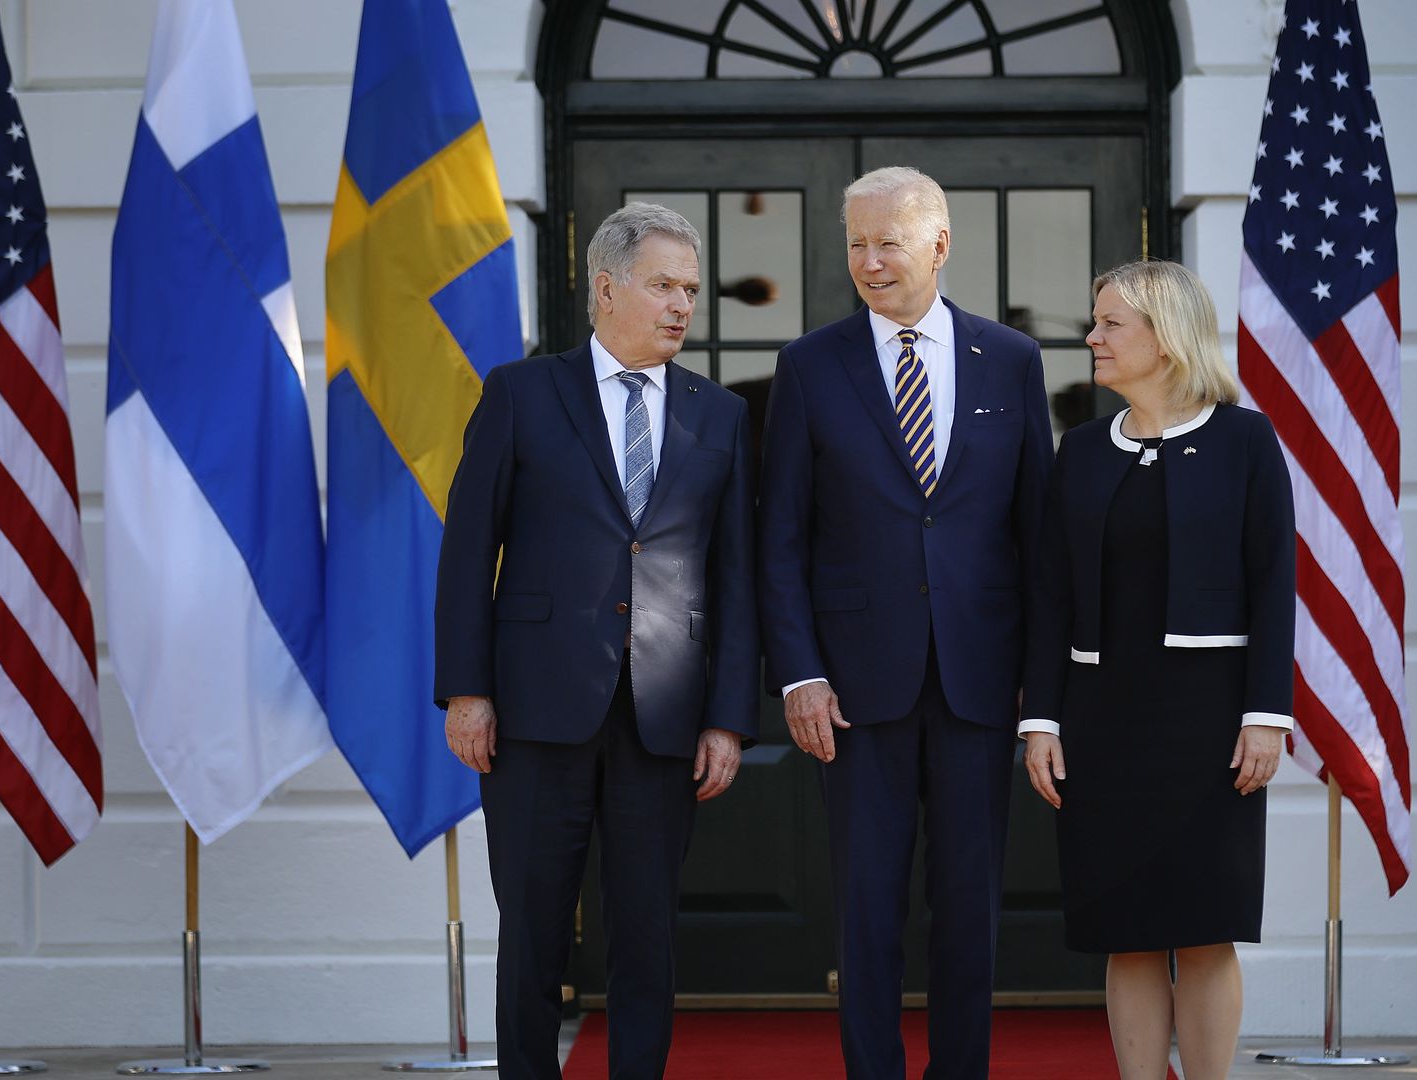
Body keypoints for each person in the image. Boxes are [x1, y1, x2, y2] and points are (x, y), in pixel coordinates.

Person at [433, 203, 758, 1080]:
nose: (682, 305)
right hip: (536, 712)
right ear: (606, 289)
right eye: (664, 286)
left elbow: (736, 577)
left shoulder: (721, 415)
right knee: (533, 933)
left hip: (665, 717)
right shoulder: (521, 393)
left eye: (690, 289)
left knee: (647, 937)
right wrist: (467, 690)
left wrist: (729, 717)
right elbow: (468, 550)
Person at [758, 166, 1054, 1079]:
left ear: (939, 243)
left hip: (980, 682)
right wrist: (800, 673)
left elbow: (1037, 539)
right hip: (852, 690)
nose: (870, 261)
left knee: (969, 907)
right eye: (856, 243)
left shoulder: (1012, 359)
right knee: (867, 907)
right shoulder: (810, 365)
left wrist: (1040, 690)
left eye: (888, 241)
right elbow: (780, 538)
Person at [1020, 260, 1295, 1080]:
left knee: (1206, 929)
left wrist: (1266, 715)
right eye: (1096, 322)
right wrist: (1041, 720)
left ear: (1166, 339)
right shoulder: (1080, 451)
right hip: (1101, 725)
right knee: (1127, 931)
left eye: (1111, 324)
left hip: (1210, 727)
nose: (1092, 338)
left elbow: (1273, 583)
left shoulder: (1246, 441)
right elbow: (1050, 596)